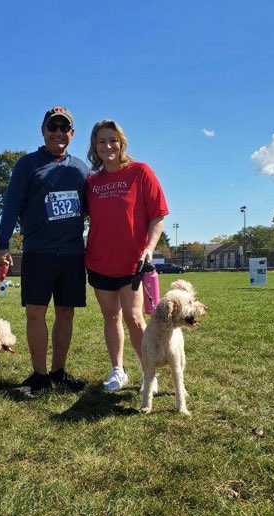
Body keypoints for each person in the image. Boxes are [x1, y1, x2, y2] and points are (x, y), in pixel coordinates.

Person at [0, 106, 89, 394]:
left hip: (72, 254)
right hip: (38, 252)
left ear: (72, 133)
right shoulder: (27, 165)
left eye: (64, 127)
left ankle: (59, 373)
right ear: (43, 130)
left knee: (66, 313)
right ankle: (39, 375)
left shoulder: (81, 169)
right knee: (35, 312)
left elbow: (96, 209)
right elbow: (11, 206)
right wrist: (2, 245)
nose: (58, 132)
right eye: (53, 127)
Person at [85, 119, 169, 392]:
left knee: (134, 318)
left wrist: (149, 248)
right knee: (111, 317)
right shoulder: (92, 182)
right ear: (94, 147)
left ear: (121, 142)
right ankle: (117, 370)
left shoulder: (140, 172)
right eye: (101, 141)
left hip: (132, 263)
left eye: (113, 140)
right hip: (99, 261)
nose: (108, 146)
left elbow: (157, 216)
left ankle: (149, 373)